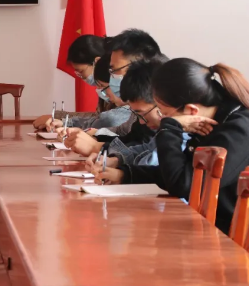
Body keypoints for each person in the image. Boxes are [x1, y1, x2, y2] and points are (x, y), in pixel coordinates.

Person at [95, 59, 249, 234]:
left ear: (191, 111)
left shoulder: (239, 130)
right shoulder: (213, 122)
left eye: (165, 114)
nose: (162, 120)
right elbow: (178, 172)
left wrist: (169, 129)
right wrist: (124, 174)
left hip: (231, 238)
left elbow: (183, 184)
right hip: (208, 226)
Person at [64, 29, 163, 156]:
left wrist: (97, 147)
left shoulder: (161, 99)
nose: (111, 78)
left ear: (138, 64)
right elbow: (130, 140)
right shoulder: (140, 103)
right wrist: (99, 139)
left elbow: (149, 156)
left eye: (114, 71)